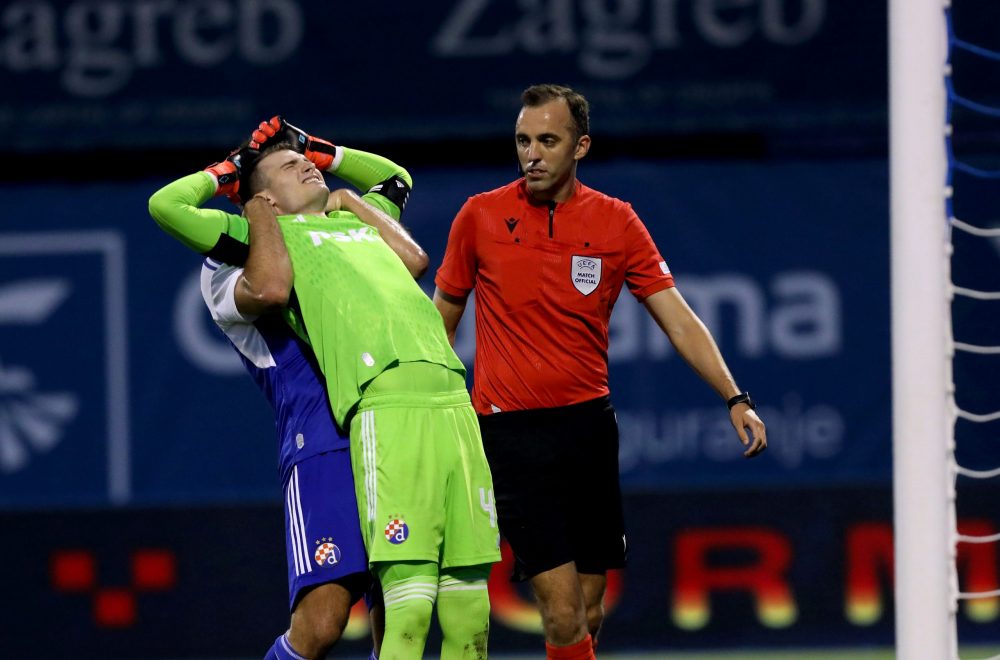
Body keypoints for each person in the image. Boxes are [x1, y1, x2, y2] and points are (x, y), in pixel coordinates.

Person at [432, 84, 768, 660]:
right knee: (562, 616)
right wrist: (433, 413)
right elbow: (441, 321)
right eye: (522, 140)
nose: (531, 153)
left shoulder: (616, 222)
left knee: (589, 611)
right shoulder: (480, 216)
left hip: (587, 429)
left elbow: (679, 320)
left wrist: (734, 397)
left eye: (547, 140)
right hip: (510, 433)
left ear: (580, 146)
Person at [150, 117, 500, 660]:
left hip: (388, 416)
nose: (304, 167)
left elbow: (393, 180)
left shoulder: (347, 230)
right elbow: (268, 285)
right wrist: (227, 175)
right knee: (323, 622)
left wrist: (319, 148)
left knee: (402, 595)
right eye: (285, 166)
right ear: (257, 197)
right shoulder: (225, 265)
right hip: (322, 442)